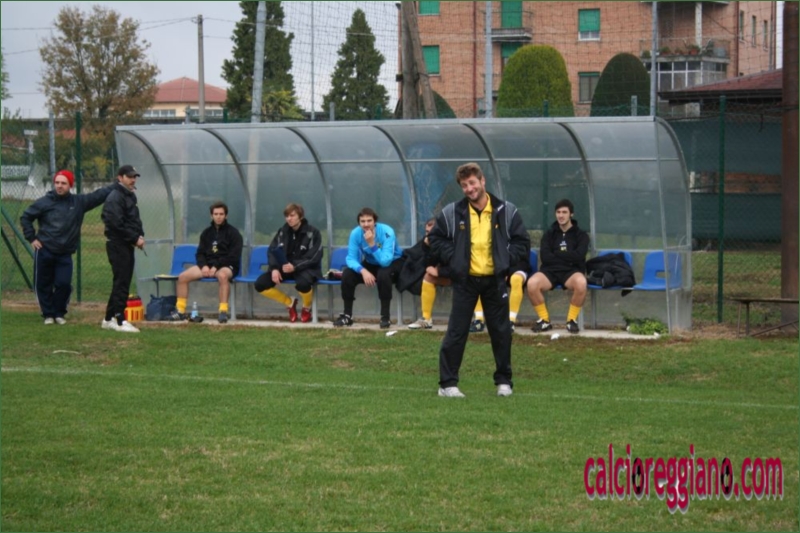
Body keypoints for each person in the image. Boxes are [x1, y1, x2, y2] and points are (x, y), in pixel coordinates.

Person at [428, 162, 530, 398]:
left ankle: (504, 382)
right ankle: (447, 385)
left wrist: (505, 260)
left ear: (483, 181)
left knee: (501, 332)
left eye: (472, 183)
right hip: (466, 281)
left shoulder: (506, 210)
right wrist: (454, 258)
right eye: (464, 185)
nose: (469, 189)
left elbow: (522, 242)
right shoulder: (452, 212)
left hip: (495, 281)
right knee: (456, 332)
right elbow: (436, 238)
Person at [20, 170, 115, 325]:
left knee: (63, 284)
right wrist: (31, 237)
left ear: (70, 185)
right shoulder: (44, 202)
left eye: (63, 183)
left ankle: (59, 313)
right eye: (57, 182)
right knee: (43, 284)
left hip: (65, 253)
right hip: (45, 250)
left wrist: (118, 184)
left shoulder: (78, 202)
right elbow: (26, 217)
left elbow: (98, 195)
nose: (59, 186)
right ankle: (48, 314)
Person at [169, 202, 243, 324]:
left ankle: (223, 312)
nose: (218, 217)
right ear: (211, 216)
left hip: (226, 265)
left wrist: (216, 266)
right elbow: (200, 253)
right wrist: (203, 266)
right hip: (207, 265)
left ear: (226, 216)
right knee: (182, 277)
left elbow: (234, 256)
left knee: (222, 276)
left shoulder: (234, 233)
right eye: (216, 214)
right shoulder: (206, 233)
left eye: (221, 214)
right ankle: (180, 311)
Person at [333, 207, 404, 329]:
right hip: (371, 263)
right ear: (359, 223)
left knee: (383, 274)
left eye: (369, 220)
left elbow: (385, 261)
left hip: (393, 262)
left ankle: (385, 317)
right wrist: (363, 270)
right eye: (362, 221)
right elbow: (350, 259)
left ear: (375, 221)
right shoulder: (356, 233)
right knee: (348, 274)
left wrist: (371, 243)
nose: (366, 224)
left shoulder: (387, 232)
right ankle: (347, 316)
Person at [526, 198, 589, 334]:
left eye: (564, 212)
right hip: (550, 272)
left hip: (571, 272)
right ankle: (544, 320)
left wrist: (557, 253)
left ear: (571, 214)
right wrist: (568, 256)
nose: (561, 215)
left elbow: (579, 256)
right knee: (532, 283)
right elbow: (545, 257)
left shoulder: (581, 235)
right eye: (558, 212)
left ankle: (571, 320)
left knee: (581, 283)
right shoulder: (549, 234)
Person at [254, 203, 322, 323]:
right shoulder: (282, 231)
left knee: (303, 284)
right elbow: (272, 250)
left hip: (304, 269)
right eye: (287, 216)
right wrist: (274, 268)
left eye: (292, 215)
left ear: (300, 216)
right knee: (260, 284)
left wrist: (295, 266)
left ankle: (307, 307)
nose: (289, 219)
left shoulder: (313, 233)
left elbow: (314, 256)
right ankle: (289, 303)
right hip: (284, 268)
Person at [101, 165, 145, 333]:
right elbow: (116, 224)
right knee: (122, 282)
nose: (133, 180)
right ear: (120, 178)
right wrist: (134, 238)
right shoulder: (115, 197)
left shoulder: (129, 195)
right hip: (117, 244)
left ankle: (108, 319)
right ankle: (120, 320)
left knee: (122, 281)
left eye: (134, 177)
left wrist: (139, 236)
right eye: (129, 177)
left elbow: (133, 220)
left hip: (126, 244)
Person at [396, 218, 452, 330]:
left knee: (474, 277)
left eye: (432, 232)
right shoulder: (430, 243)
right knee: (428, 277)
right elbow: (427, 265)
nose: (429, 235)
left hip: (463, 276)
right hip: (450, 276)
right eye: (427, 232)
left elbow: (458, 266)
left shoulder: (451, 242)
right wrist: (427, 248)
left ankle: (479, 319)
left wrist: (439, 271)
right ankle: (426, 319)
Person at [470, 250, 532, 333]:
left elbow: (521, 255)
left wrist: (505, 271)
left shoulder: (520, 241)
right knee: (478, 276)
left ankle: (510, 320)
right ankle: (479, 320)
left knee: (516, 279)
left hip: (518, 268)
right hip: (496, 268)